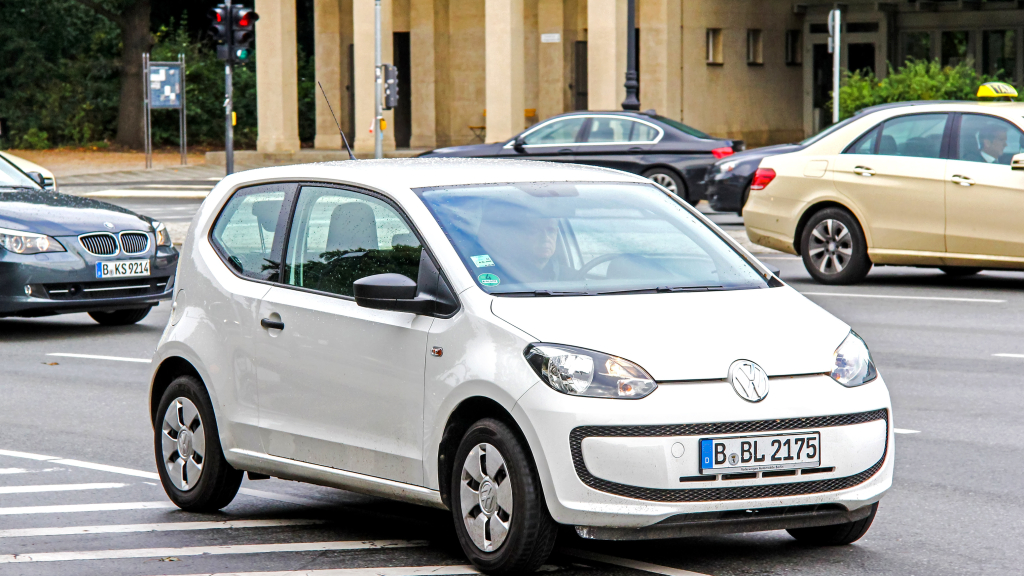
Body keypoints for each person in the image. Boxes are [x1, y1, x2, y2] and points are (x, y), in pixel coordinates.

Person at [477, 205, 563, 284]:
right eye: (535, 231)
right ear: (521, 236)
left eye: (551, 231)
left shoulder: (571, 278)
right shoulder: (502, 274)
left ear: (557, 233)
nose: (545, 238)